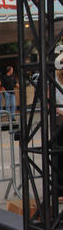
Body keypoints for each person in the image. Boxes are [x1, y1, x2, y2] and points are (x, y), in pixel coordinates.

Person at [55, 68, 63, 202]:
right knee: (60, 157)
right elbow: (49, 101)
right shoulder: (54, 80)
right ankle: (60, 191)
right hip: (59, 120)